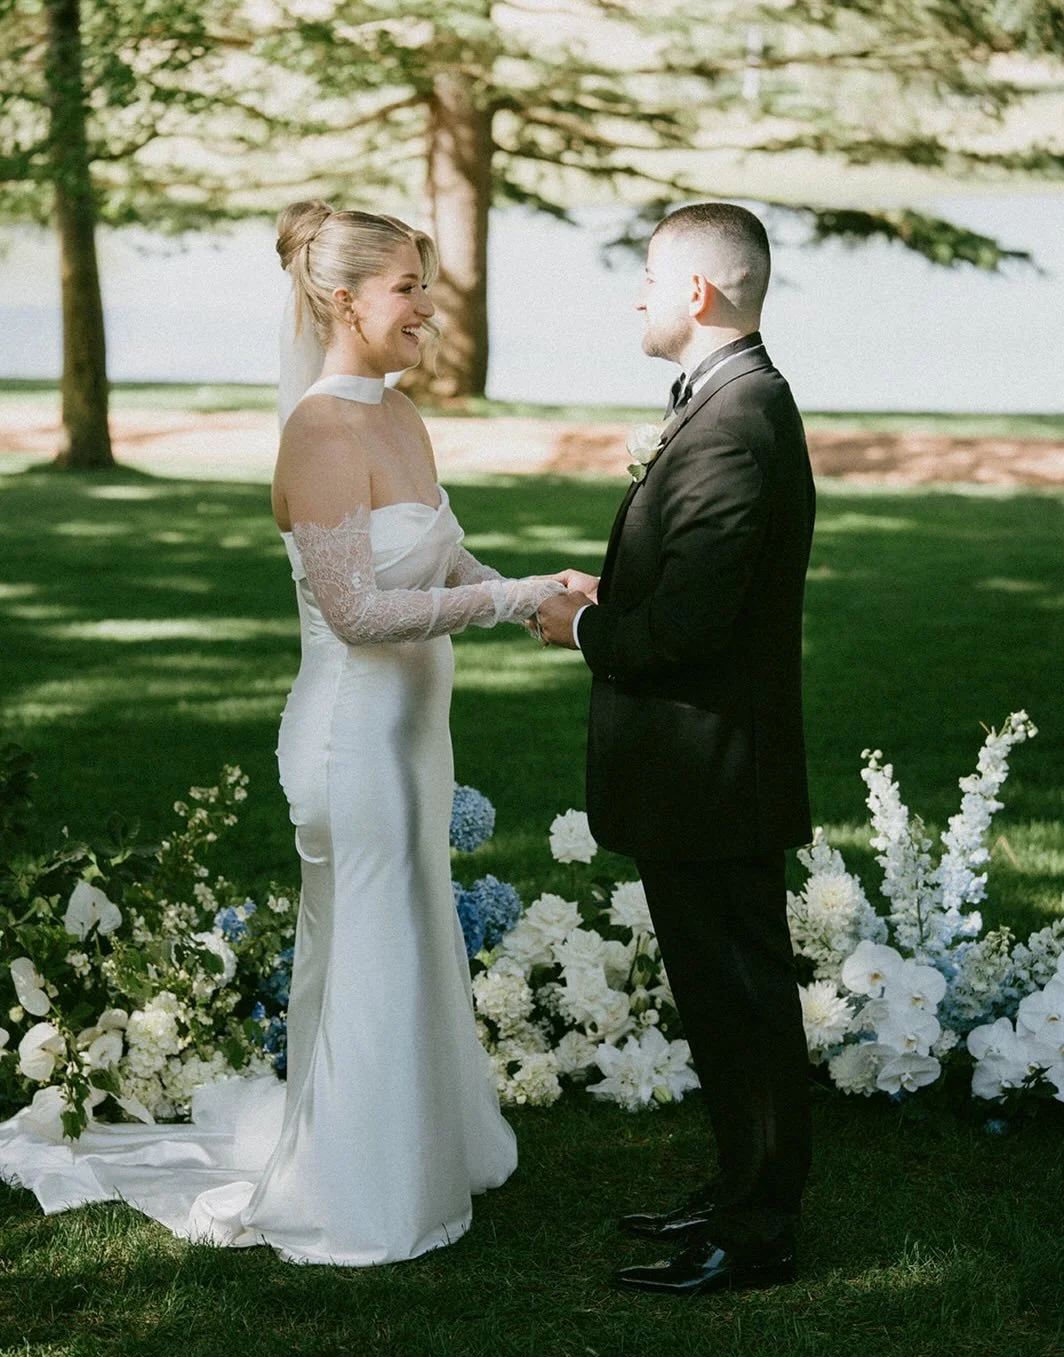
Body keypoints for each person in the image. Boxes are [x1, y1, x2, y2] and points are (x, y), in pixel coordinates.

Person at [0, 202, 565, 1266]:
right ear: (342, 299)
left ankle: (424, 1152)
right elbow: (354, 611)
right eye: (408, 287)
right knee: (370, 945)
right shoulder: (319, 431)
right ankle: (360, 1194)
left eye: (425, 284)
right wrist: (511, 596)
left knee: (409, 931)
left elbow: (443, 558)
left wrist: (539, 604)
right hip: (351, 739)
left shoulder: (398, 414)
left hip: (414, 738)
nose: (428, 307)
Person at [536, 202, 816, 1295]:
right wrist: (616, 591)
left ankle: (757, 1235)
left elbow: (695, 631)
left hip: (713, 771)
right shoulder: (729, 399)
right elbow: (702, 585)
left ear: (695, 293)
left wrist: (585, 628)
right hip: (704, 769)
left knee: (741, 1002)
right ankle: (741, 1189)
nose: (638, 297)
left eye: (649, 279)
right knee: (721, 999)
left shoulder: (735, 419)